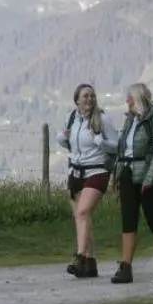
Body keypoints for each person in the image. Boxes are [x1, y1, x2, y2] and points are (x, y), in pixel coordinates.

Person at [112, 81, 153, 284]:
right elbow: (122, 149)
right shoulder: (130, 120)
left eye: (130, 98)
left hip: (149, 176)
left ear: (138, 98)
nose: (127, 101)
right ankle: (125, 266)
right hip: (128, 172)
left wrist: (149, 179)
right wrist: (116, 175)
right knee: (128, 219)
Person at [57, 82, 118, 279]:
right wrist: (61, 139)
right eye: (85, 96)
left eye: (91, 96)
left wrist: (102, 142)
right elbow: (70, 142)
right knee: (82, 218)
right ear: (77, 100)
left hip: (97, 170)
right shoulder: (71, 118)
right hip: (76, 171)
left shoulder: (102, 119)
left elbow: (116, 146)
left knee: (83, 212)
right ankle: (91, 264)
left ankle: (80, 256)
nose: (89, 99)